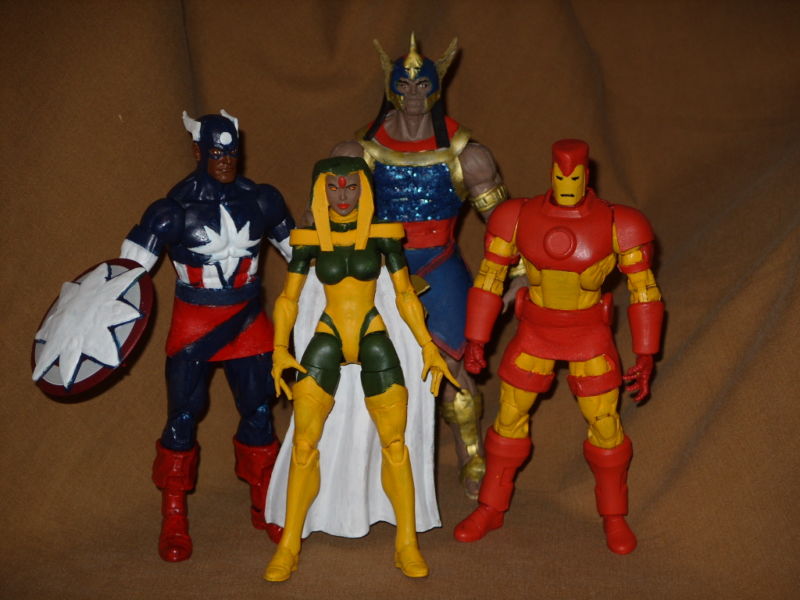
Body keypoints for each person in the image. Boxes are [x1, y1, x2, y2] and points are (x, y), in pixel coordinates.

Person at [454, 139, 664, 554]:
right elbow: (489, 278)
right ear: (552, 173)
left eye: (575, 177)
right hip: (535, 333)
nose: (567, 184)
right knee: (509, 417)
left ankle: (614, 515)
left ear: (586, 176)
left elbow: (644, 291)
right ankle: (491, 507)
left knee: (605, 423)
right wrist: (475, 338)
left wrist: (646, 354)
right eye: (561, 176)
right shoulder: (517, 217)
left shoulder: (619, 223)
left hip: (589, 336)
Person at [264, 156, 457, 582]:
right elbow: (288, 298)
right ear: (320, 190)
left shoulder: (383, 236)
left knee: (396, 444)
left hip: (372, 334)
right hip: (329, 335)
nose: (343, 195)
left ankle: (406, 542)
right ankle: (289, 544)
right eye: (333, 187)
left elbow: (404, 294)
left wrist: (427, 346)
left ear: (364, 189)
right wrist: (279, 348)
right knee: (304, 444)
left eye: (351, 186)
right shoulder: (309, 240)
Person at [332, 34, 508, 498]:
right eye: (404, 85)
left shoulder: (467, 154)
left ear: (436, 86)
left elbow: (505, 227)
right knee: (369, 365)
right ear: (391, 88)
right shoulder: (359, 153)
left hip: (440, 263)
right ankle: (366, 462)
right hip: (381, 267)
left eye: (422, 84)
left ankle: (471, 454)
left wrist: (515, 274)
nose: (413, 94)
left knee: (452, 365)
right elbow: (328, 220)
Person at [120, 110, 294, 561]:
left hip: (248, 319)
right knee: (182, 417)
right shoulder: (170, 211)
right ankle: (174, 513)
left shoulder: (262, 200)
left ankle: (265, 498)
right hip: (194, 323)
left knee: (260, 409)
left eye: (231, 151)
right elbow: (125, 277)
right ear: (198, 151)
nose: (225, 160)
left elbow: (302, 257)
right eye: (216, 152)